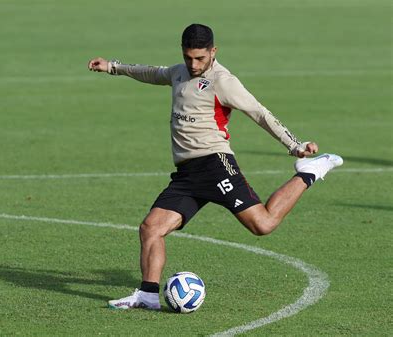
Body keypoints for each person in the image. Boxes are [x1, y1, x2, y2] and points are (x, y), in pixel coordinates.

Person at [87, 23, 343, 310]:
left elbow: (259, 113)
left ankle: (308, 173)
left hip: (215, 165)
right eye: (188, 57)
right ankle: (147, 295)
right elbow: (150, 72)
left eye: (200, 58)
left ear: (213, 51)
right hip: (186, 174)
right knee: (151, 228)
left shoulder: (224, 81)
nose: (194, 64)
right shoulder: (178, 72)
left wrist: (294, 145)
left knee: (263, 224)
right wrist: (113, 67)